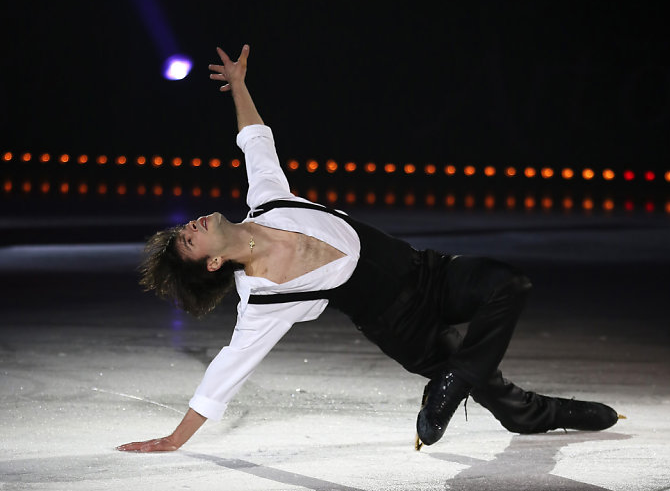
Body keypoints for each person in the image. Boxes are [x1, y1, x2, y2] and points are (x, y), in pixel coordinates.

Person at [117, 44, 621, 454]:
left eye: (186, 226)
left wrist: (240, 86)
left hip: (429, 273)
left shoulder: (268, 201)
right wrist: (174, 438)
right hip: (404, 329)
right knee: (507, 402)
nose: (193, 223)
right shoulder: (263, 300)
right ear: (212, 261)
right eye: (190, 236)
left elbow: (255, 140)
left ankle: (450, 385)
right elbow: (226, 371)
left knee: (509, 285)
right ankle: (540, 410)